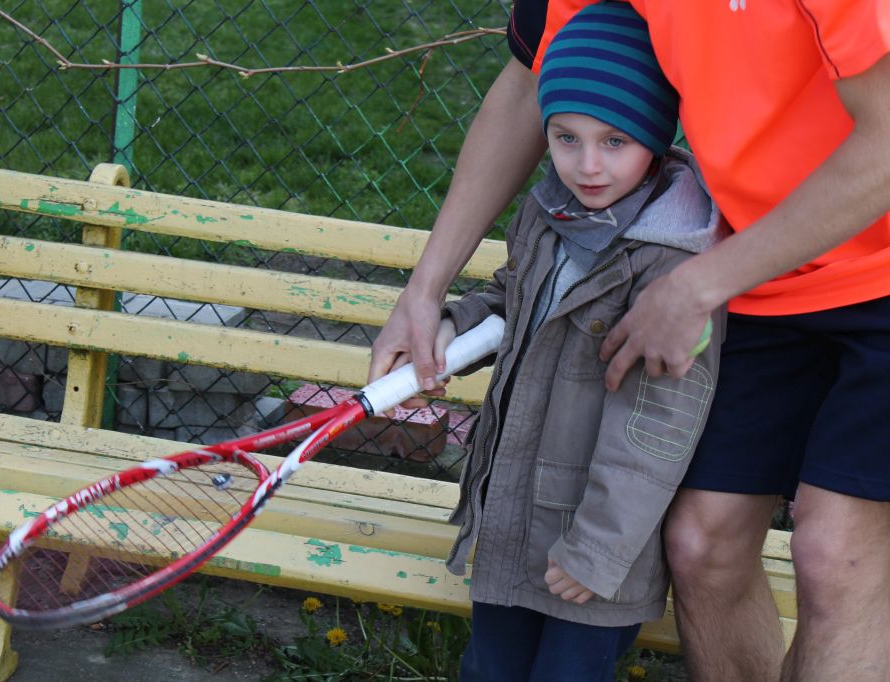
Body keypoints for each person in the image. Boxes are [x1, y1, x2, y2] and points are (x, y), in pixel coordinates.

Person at [370, 2, 890, 681]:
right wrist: (425, 291)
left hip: (855, 262)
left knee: (833, 556)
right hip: (764, 264)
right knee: (701, 544)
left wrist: (698, 285)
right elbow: (532, 84)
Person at [428, 4, 725, 679]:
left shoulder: (672, 262)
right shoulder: (546, 212)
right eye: (565, 138)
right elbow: (516, 298)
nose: (587, 165)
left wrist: (597, 548)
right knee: (489, 670)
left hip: (596, 551)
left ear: (654, 135)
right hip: (512, 519)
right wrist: (454, 327)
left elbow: (660, 423)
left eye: (614, 141)